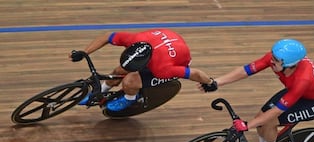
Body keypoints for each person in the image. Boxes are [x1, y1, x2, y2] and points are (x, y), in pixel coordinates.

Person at [210, 39, 314, 142]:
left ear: (290, 65)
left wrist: (246, 125)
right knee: (260, 117)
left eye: (276, 60)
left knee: (269, 121)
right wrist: (216, 82)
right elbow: (246, 70)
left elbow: (276, 111)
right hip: (295, 92)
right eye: (272, 56)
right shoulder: (277, 59)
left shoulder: (303, 79)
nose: (271, 60)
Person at [69, 29, 218, 111]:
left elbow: (194, 73)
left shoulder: (162, 68)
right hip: (165, 43)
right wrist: (85, 52)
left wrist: (210, 82)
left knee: (129, 81)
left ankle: (130, 98)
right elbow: (107, 36)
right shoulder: (135, 39)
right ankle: (101, 91)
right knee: (118, 71)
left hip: (175, 60)